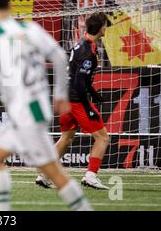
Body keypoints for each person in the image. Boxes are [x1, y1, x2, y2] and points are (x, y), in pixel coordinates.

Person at [0, 0, 92, 211]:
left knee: (53, 173)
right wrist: (59, 94)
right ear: (10, 4)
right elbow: (59, 56)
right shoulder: (29, 28)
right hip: (34, 109)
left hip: (26, 113)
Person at [35, 12, 110, 190]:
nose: (106, 28)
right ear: (100, 29)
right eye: (105, 25)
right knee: (103, 138)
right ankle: (90, 176)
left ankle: (44, 175)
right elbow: (79, 83)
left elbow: (77, 77)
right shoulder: (88, 52)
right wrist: (88, 106)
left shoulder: (81, 45)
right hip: (76, 100)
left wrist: (94, 92)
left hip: (66, 98)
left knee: (66, 138)